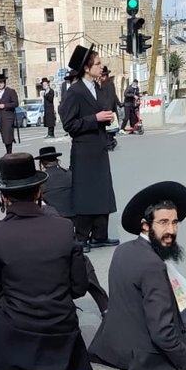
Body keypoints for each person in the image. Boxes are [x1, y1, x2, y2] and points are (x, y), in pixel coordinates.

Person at [0, 153, 92, 370]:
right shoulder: (64, 227)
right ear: (39, 193)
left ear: (3, 197)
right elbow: (79, 288)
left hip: (19, 328)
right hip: (61, 327)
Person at [88, 182, 186, 370]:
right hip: (144, 355)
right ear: (146, 225)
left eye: (175, 223)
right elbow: (162, 333)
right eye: (163, 222)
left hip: (112, 346)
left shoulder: (122, 250)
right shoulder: (152, 266)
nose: (171, 230)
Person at [36, 145, 109, 315]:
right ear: (57, 160)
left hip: (51, 227)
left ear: (41, 164)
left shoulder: (40, 182)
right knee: (83, 265)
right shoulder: (69, 175)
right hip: (73, 222)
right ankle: (104, 305)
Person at [59, 45, 119, 251]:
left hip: (99, 147)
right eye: (97, 63)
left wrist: (106, 118)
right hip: (84, 150)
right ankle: (81, 237)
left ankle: (100, 234)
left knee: (103, 191)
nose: (101, 67)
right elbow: (69, 124)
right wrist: (95, 118)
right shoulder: (75, 92)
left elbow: (101, 112)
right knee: (85, 194)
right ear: (86, 68)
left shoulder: (99, 88)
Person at [0, 73, 19, 154]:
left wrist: (4, 105)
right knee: (4, 136)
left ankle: (9, 152)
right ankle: (7, 151)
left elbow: (15, 103)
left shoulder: (10, 91)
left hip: (8, 117)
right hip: (0, 117)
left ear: (4, 83)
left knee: (8, 135)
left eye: (1, 82)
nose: (0, 84)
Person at [98, 66, 121, 151]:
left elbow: (111, 98)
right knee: (107, 131)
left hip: (108, 110)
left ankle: (110, 144)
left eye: (102, 76)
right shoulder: (102, 84)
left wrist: (108, 110)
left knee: (109, 131)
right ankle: (110, 143)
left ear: (106, 76)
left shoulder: (109, 84)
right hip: (105, 110)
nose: (101, 77)